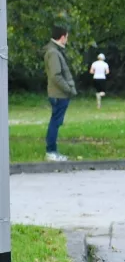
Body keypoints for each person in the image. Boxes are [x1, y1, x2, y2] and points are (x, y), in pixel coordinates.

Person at [44, 25, 76, 162]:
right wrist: (68, 88)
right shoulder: (53, 53)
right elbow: (56, 76)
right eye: (67, 37)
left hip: (59, 94)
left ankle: (51, 151)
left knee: (55, 122)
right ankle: (51, 152)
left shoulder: (54, 51)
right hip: (59, 95)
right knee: (55, 123)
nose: (67, 40)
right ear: (62, 37)